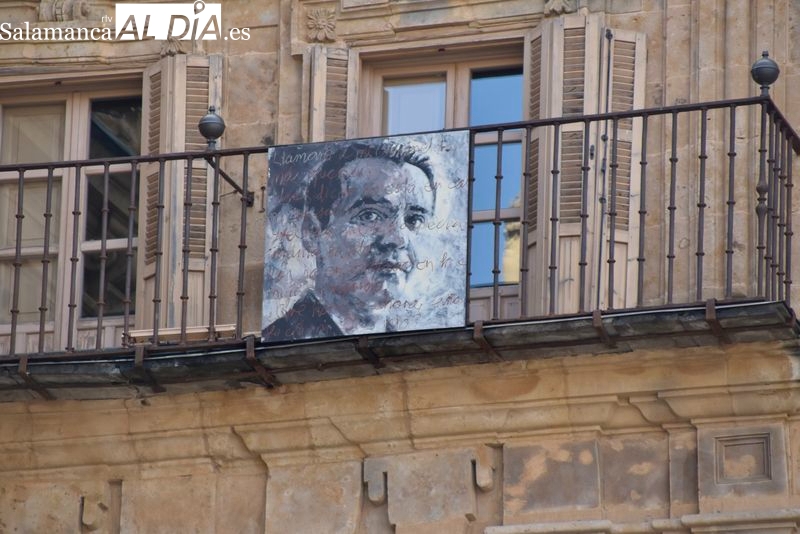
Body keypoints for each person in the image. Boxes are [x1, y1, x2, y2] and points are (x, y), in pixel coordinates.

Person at [262, 140, 437, 342]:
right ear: (312, 232)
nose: (398, 239)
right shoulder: (282, 339)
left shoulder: (411, 352)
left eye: (414, 219)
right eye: (369, 216)